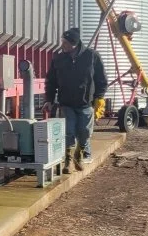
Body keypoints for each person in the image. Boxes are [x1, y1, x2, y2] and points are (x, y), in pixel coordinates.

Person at [43, 27, 107, 172]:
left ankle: (79, 153)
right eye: (62, 42)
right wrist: (49, 99)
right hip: (66, 103)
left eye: (66, 43)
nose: (63, 45)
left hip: (86, 103)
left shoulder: (91, 56)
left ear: (75, 43)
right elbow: (51, 80)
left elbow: (101, 79)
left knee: (84, 132)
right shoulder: (58, 58)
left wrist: (99, 98)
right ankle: (68, 161)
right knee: (69, 131)